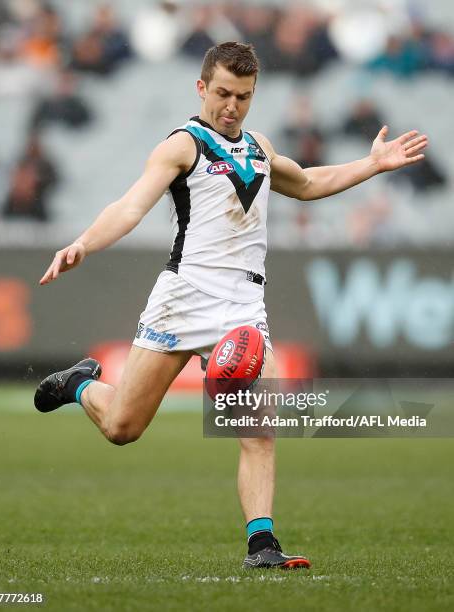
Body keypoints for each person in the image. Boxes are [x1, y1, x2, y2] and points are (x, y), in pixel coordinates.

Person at [34, 42, 428, 569]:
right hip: (184, 296)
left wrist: (373, 164)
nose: (232, 106)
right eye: (222, 93)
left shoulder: (259, 147)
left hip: (243, 304)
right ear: (201, 88)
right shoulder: (182, 145)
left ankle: (261, 544)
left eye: (243, 96)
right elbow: (130, 205)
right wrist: (84, 241)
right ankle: (78, 383)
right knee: (123, 428)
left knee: (258, 428)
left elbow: (308, 182)